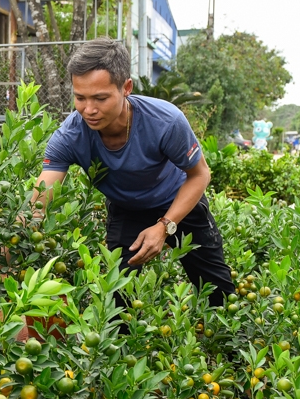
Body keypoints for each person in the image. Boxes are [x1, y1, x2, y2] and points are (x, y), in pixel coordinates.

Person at [36, 38, 235, 307]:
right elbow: (39, 202)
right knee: (117, 301)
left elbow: (200, 175)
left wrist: (164, 226)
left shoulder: (165, 121)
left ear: (126, 87)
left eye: (100, 98)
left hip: (178, 202)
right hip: (126, 208)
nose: (89, 110)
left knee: (217, 292)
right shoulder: (70, 135)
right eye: (79, 98)